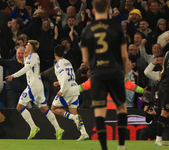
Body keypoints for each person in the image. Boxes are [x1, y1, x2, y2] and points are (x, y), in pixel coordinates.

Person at [81, 0, 128, 150]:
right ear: (108, 9)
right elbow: (124, 56)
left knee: (100, 113)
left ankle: (104, 148)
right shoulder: (116, 27)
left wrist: (95, 68)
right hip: (115, 72)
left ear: (93, 11)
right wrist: (123, 72)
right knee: (121, 108)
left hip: (98, 75)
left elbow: (86, 60)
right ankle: (121, 146)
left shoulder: (87, 31)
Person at [6, 40, 64, 140]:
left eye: (27, 44)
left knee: (19, 107)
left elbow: (27, 68)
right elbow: (28, 68)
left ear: (31, 47)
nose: (26, 46)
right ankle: (58, 129)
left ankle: (33, 127)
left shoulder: (33, 56)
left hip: (33, 86)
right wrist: (24, 57)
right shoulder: (30, 57)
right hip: (37, 85)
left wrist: (13, 75)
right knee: (43, 108)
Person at [51, 44, 89, 141]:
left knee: (54, 108)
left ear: (54, 54)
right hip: (74, 89)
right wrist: (59, 82)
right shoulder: (68, 62)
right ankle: (84, 133)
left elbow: (65, 76)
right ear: (63, 54)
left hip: (67, 90)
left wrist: (62, 90)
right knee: (74, 113)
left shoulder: (58, 64)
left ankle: (73, 118)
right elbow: (70, 76)